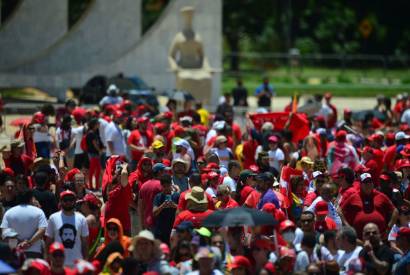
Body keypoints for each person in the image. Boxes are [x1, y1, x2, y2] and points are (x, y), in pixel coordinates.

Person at [340, 173, 398, 238]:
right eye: (365, 182)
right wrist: (348, 228)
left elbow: (395, 211)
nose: (368, 184)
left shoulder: (381, 196)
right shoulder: (354, 197)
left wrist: (388, 229)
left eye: (370, 182)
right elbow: (340, 211)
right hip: (360, 238)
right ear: (361, 184)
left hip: (380, 238)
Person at [46, 190, 89, 267]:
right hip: (58, 265)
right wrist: (48, 260)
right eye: (65, 200)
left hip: (77, 264)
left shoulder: (82, 219)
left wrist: (85, 261)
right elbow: (49, 242)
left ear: (75, 201)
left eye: (71, 200)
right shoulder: (53, 218)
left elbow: (84, 243)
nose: (68, 202)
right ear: (60, 201)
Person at [1, 189, 47, 259]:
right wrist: (29, 243)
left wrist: (18, 242)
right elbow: (42, 230)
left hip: (15, 252)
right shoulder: (39, 212)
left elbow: (4, 233)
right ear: (31, 199)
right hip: (34, 252)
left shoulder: (9, 212)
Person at [103, 159, 132, 235]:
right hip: (111, 226)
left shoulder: (125, 186)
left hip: (122, 226)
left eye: (119, 173)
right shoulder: (115, 186)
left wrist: (125, 167)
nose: (117, 175)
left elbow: (124, 174)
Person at [139, 163, 170, 230]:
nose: (167, 173)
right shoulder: (162, 186)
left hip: (148, 223)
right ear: (159, 172)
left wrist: (142, 224)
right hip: (160, 224)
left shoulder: (144, 185)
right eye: (165, 171)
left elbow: (141, 207)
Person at [153, 174, 180, 244]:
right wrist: (162, 206)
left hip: (173, 230)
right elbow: (154, 213)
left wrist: (174, 205)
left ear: (171, 184)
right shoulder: (158, 197)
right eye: (164, 186)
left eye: (168, 186)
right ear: (161, 186)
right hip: (160, 231)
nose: (166, 188)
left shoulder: (176, 196)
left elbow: (182, 211)